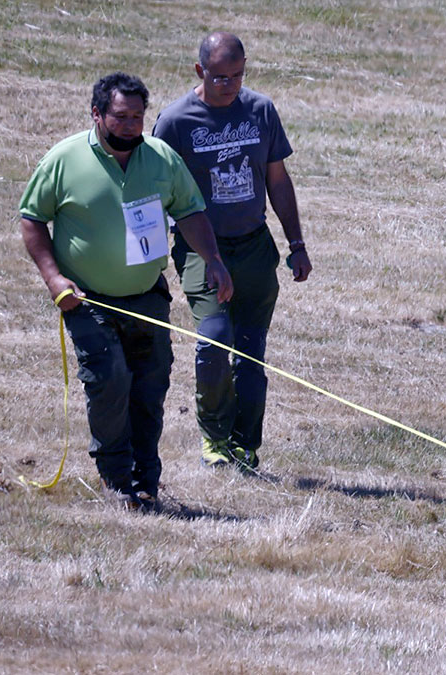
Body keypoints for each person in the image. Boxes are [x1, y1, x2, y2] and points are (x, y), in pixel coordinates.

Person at [20, 72, 234, 510]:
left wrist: (213, 259)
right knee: (110, 380)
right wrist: (54, 279)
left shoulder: (160, 159)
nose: (131, 125)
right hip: (88, 299)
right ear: (96, 113)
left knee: (150, 387)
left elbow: (191, 211)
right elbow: (32, 218)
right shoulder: (64, 160)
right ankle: (117, 480)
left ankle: (145, 480)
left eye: (138, 116)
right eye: (120, 116)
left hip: (147, 296)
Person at [153, 32, 312, 471]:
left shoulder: (260, 110)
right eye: (220, 77)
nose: (230, 84)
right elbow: (157, 192)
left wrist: (295, 244)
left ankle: (245, 443)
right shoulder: (175, 122)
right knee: (214, 338)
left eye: (238, 75)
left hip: (255, 246)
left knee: (250, 351)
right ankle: (214, 436)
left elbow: (277, 180)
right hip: (202, 249)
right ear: (200, 71)